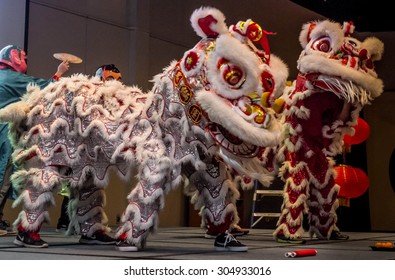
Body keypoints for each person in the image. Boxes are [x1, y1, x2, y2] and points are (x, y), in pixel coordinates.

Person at [0, 44, 69, 245]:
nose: (25, 60)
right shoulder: (13, 78)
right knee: (3, 177)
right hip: (4, 132)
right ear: (13, 56)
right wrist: (59, 73)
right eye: (23, 57)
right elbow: (46, 88)